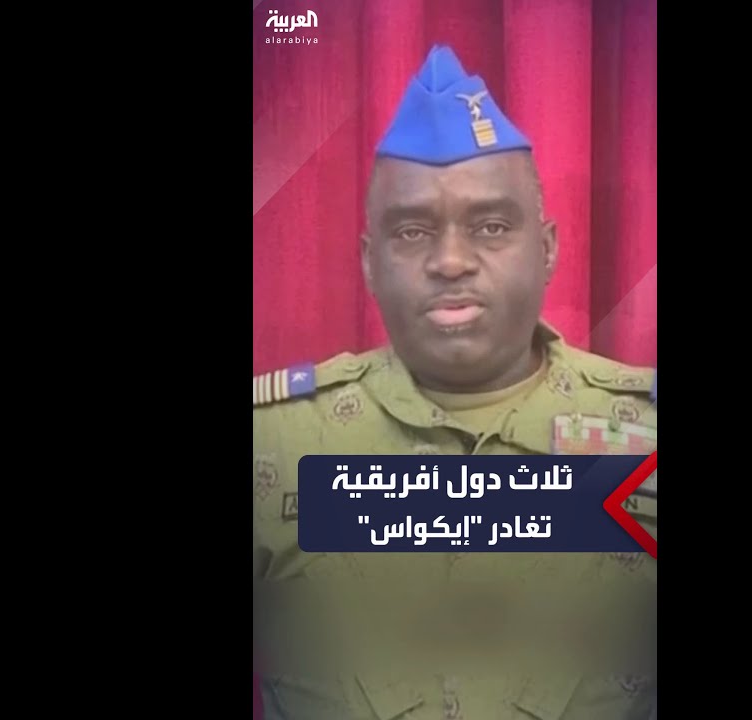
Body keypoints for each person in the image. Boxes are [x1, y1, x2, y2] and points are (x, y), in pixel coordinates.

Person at [253, 45, 657, 719]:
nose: (449, 261)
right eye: (412, 232)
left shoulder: (644, 432)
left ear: (548, 249)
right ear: (369, 263)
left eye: (491, 227)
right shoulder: (273, 442)